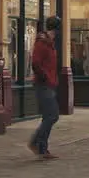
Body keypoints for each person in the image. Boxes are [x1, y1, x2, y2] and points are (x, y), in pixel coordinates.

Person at [28, 16, 61, 160]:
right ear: (56, 28)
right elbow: (35, 63)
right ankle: (36, 142)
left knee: (49, 116)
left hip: (49, 83)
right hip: (44, 85)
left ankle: (42, 148)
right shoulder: (42, 43)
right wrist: (45, 77)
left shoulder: (49, 43)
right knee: (52, 115)